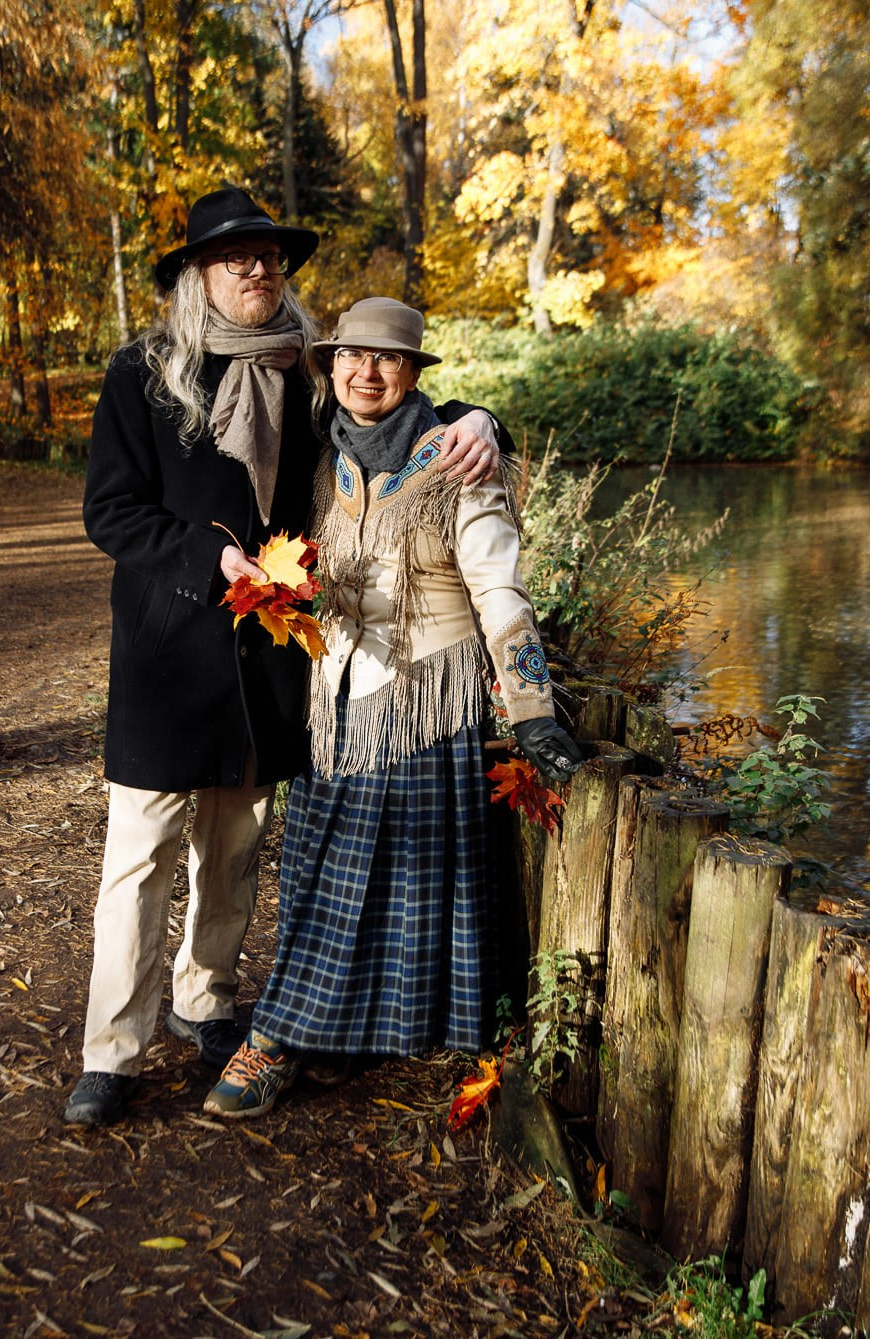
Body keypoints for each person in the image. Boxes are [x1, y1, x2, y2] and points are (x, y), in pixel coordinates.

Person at [67, 190, 508, 1127]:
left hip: (272, 660)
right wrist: (206, 560)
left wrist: (482, 421)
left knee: (232, 850)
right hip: (167, 656)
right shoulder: (144, 373)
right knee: (139, 856)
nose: (259, 272)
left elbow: (390, 405)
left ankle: (205, 1000)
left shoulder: (307, 374)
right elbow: (109, 511)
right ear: (198, 275)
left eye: (270, 258)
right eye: (237, 260)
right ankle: (110, 1048)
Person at [203, 297, 584, 1119]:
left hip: (419, 705)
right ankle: (340, 1033)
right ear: (328, 365)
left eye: (385, 359)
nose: (364, 373)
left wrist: (532, 712)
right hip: (330, 707)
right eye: (348, 356)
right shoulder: (322, 460)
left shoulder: (458, 460)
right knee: (316, 881)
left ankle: (277, 1036)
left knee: (365, 880)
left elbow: (500, 591)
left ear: (412, 373)